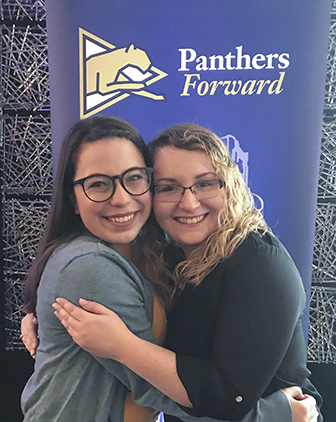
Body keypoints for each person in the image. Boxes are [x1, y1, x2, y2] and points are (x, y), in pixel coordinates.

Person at [20, 117, 319, 422]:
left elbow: (226, 397)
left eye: (204, 183)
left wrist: (121, 345)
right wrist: (43, 317)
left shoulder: (255, 264)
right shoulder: (148, 257)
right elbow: (158, 375)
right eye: (169, 187)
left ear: (229, 186)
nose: (188, 204)